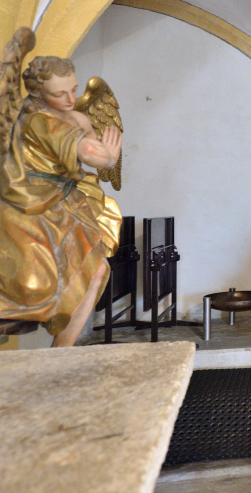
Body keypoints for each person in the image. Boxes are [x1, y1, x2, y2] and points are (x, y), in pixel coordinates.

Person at [0, 54, 122, 347]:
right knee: (34, 286)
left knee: (96, 270)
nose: (70, 99)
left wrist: (101, 150)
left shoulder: (73, 117)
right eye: (59, 93)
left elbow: (91, 144)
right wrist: (109, 156)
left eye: (74, 89)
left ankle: (60, 354)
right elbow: (93, 154)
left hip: (64, 206)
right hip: (31, 210)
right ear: (37, 92)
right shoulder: (38, 121)